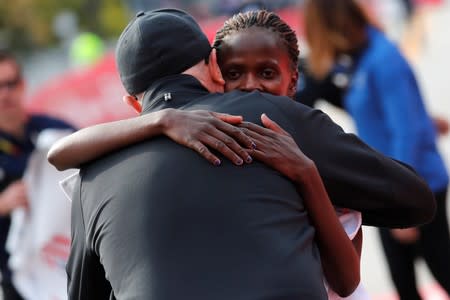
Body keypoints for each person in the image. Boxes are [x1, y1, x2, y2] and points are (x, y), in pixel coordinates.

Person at [63, 9, 435, 300]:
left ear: (132, 102)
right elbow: (414, 199)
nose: (251, 86)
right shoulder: (269, 117)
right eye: (236, 73)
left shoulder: (90, 178)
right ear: (214, 65)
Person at [297, 0, 450, 299]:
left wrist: (405, 201)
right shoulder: (359, 60)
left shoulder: (382, 59)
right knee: (403, 280)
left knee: (441, 269)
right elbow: (392, 116)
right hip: (388, 186)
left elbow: (406, 131)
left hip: (416, 186)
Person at [0, 50, 75, 300]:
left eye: (10, 84)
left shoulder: (55, 129)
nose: (4, 94)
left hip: (69, 263)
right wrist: (3, 204)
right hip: (17, 278)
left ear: (22, 85)